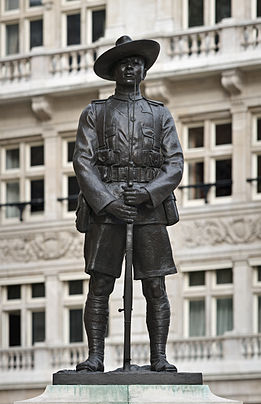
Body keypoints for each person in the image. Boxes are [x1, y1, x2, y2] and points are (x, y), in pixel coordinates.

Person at [73, 35, 184, 372]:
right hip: (106, 209)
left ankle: (159, 358)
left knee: (155, 283)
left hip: (149, 209)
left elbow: (175, 163)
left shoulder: (160, 115)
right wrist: (106, 202)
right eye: (124, 64)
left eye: (136, 63)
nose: (131, 68)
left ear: (144, 71)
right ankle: (96, 357)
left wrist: (150, 193)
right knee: (101, 283)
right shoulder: (96, 112)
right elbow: (82, 161)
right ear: (115, 71)